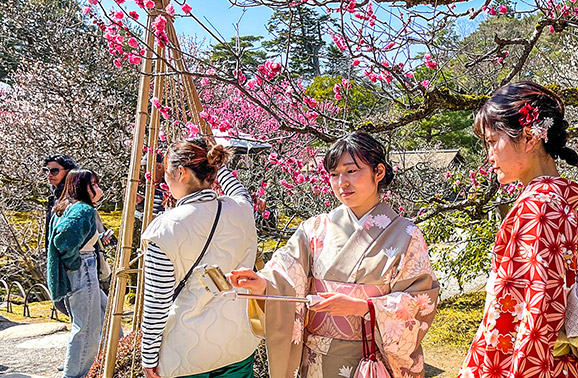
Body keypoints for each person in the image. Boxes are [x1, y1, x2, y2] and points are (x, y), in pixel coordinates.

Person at [228, 131, 440, 378]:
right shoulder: (314, 228)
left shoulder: (406, 234)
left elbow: (420, 300)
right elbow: (285, 272)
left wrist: (364, 307)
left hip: (372, 357)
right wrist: (264, 284)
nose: (342, 183)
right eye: (334, 174)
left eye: (351, 171)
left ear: (378, 172)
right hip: (317, 357)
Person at [457, 81, 578, 378]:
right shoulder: (562, 203)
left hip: (527, 365)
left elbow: (540, 313)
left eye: (491, 142)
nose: (489, 156)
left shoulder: (538, 208)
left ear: (528, 137)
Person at [140, 137, 259, 378]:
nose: (165, 178)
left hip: (188, 354)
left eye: (167, 171)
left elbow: (157, 302)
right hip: (239, 343)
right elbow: (239, 190)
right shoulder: (242, 209)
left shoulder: (163, 229)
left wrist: (149, 356)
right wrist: (216, 163)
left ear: (181, 172)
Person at [46, 169, 108, 378]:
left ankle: (111, 361)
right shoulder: (83, 209)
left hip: (78, 269)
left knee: (106, 312)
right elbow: (63, 240)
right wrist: (75, 262)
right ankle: (77, 375)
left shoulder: (64, 208)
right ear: (84, 187)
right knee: (86, 328)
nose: (99, 189)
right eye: (95, 185)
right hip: (82, 268)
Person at [43, 154, 78, 254]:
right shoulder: (55, 196)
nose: (49, 175)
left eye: (54, 171)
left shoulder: (74, 196)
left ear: (68, 171)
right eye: (46, 170)